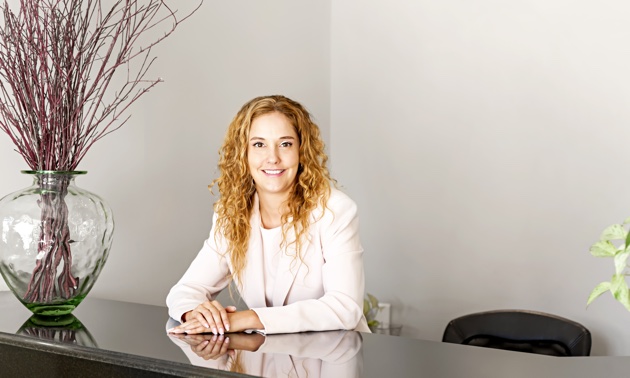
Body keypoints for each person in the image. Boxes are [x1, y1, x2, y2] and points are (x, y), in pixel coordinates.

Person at [166, 95, 369, 335]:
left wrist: (248, 318)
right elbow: (185, 290)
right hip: (268, 357)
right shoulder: (231, 213)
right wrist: (198, 313)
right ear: (243, 154)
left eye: (285, 144)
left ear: (302, 151)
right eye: (259, 144)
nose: (272, 157)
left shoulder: (335, 210)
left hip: (335, 358)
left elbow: (345, 307)